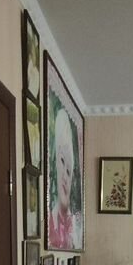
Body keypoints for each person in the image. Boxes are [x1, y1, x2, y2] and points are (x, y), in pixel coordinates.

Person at [48, 107, 82, 250]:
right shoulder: (49, 220)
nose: (65, 177)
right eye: (62, 161)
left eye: (69, 171)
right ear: (55, 162)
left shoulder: (76, 226)